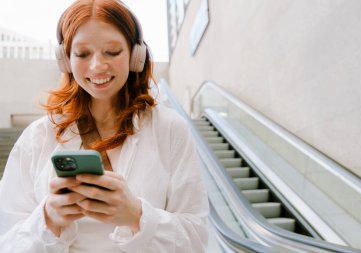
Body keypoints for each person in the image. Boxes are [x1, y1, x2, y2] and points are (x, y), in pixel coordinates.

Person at [0, 0, 209, 252]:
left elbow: (196, 240)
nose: (97, 65)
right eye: (82, 54)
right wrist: (47, 220)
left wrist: (137, 215)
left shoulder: (170, 129)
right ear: (65, 59)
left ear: (136, 55)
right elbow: (7, 242)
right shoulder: (37, 137)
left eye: (112, 51)